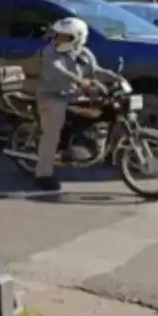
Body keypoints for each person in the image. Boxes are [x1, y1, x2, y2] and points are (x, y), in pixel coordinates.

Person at [34, 17, 117, 191]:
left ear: (79, 38)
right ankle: (43, 174)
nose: (59, 40)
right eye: (58, 36)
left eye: (66, 37)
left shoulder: (84, 53)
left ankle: (87, 146)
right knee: (51, 135)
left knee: (102, 109)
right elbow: (57, 69)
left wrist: (115, 77)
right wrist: (79, 80)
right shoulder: (49, 52)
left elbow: (95, 70)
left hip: (74, 96)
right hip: (52, 97)